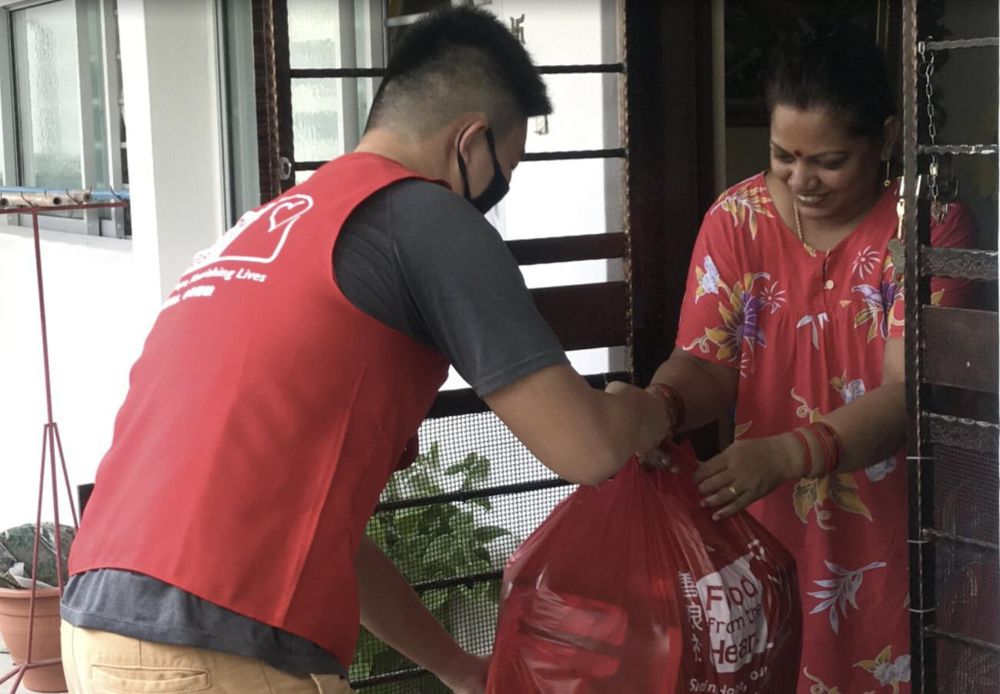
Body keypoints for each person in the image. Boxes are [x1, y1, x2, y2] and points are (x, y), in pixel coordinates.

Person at [60, 8, 671, 694]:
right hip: (218, 646)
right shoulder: (425, 217)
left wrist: (457, 670)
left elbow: (329, 540)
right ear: (471, 142)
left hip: (101, 631)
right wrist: (647, 411)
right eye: (508, 166)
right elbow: (586, 448)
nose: (502, 188)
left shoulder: (270, 228)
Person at [644, 22, 974, 693]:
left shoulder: (930, 225)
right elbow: (707, 363)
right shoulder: (735, 221)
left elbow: (907, 392)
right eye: (782, 156)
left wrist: (787, 455)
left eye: (828, 161)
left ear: (883, 139)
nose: (802, 180)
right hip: (769, 527)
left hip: (899, 534)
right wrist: (660, 408)